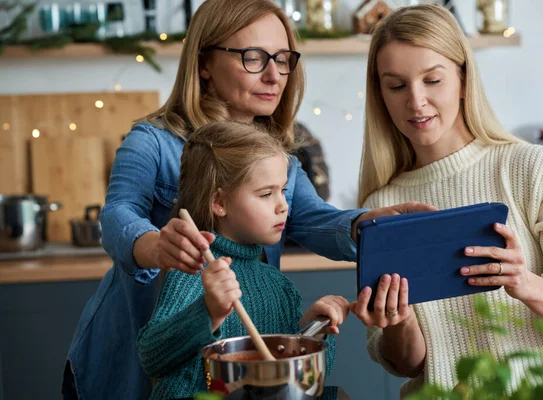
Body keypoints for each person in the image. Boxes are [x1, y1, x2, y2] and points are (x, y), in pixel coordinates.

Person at [62, 1, 433, 398]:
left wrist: (366, 225)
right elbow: (119, 214)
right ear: (204, 63)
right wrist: (156, 246)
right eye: (254, 58)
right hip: (128, 365)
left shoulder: (281, 161)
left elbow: (311, 219)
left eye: (283, 58)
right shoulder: (152, 141)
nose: (275, 75)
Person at [350, 4, 543, 397]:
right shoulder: (383, 205)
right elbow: (406, 365)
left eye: (432, 80)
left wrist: (527, 284)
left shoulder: (533, 168)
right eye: (396, 85)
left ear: (464, 78)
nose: (416, 102)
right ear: (380, 94)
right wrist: (397, 321)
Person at [137, 121, 350, 399]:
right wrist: (209, 311)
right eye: (266, 194)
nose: (283, 205)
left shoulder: (278, 285)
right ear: (219, 202)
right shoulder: (197, 273)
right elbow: (152, 357)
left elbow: (293, 381)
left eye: (283, 191)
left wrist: (311, 333)